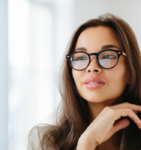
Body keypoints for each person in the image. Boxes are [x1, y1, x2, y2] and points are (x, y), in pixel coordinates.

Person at [27, 13, 141, 150]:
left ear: (131, 70)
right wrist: (87, 143)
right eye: (81, 58)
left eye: (108, 56)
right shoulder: (44, 141)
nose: (92, 67)